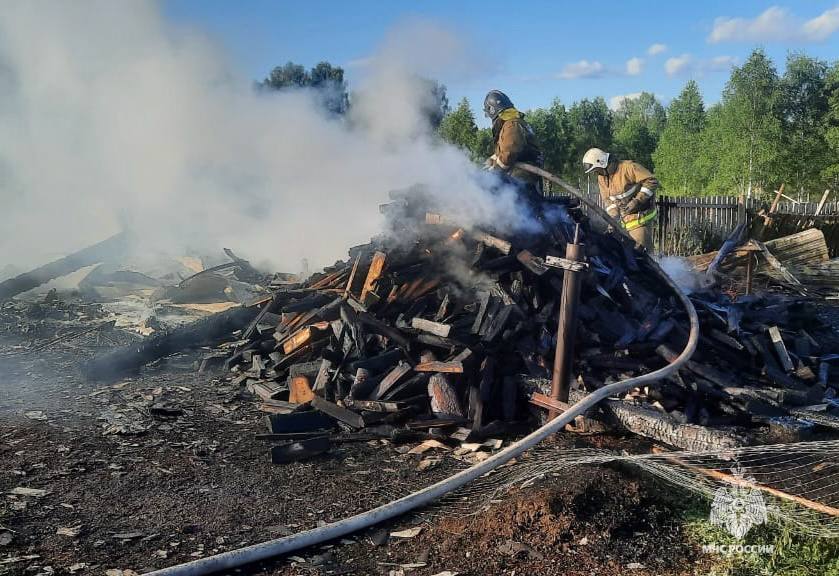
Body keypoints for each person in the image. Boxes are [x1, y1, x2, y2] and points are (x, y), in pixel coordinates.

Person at [582, 148, 658, 251]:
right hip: (623, 222)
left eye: (597, 170)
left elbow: (651, 181)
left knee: (642, 255)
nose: (596, 173)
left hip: (640, 217)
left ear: (603, 163)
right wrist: (613, 219)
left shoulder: (628, 168)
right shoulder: (602, 178)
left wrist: (637, 201)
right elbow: (608, 201)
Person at [483, 90, 544, 195]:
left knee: (490, 193)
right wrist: (489, 163)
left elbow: (509, 153)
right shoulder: (515, 123)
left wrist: (494, 172)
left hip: (520, 178)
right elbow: (503, 152)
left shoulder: (511, 125)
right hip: (527, 177)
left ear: (492, 110)